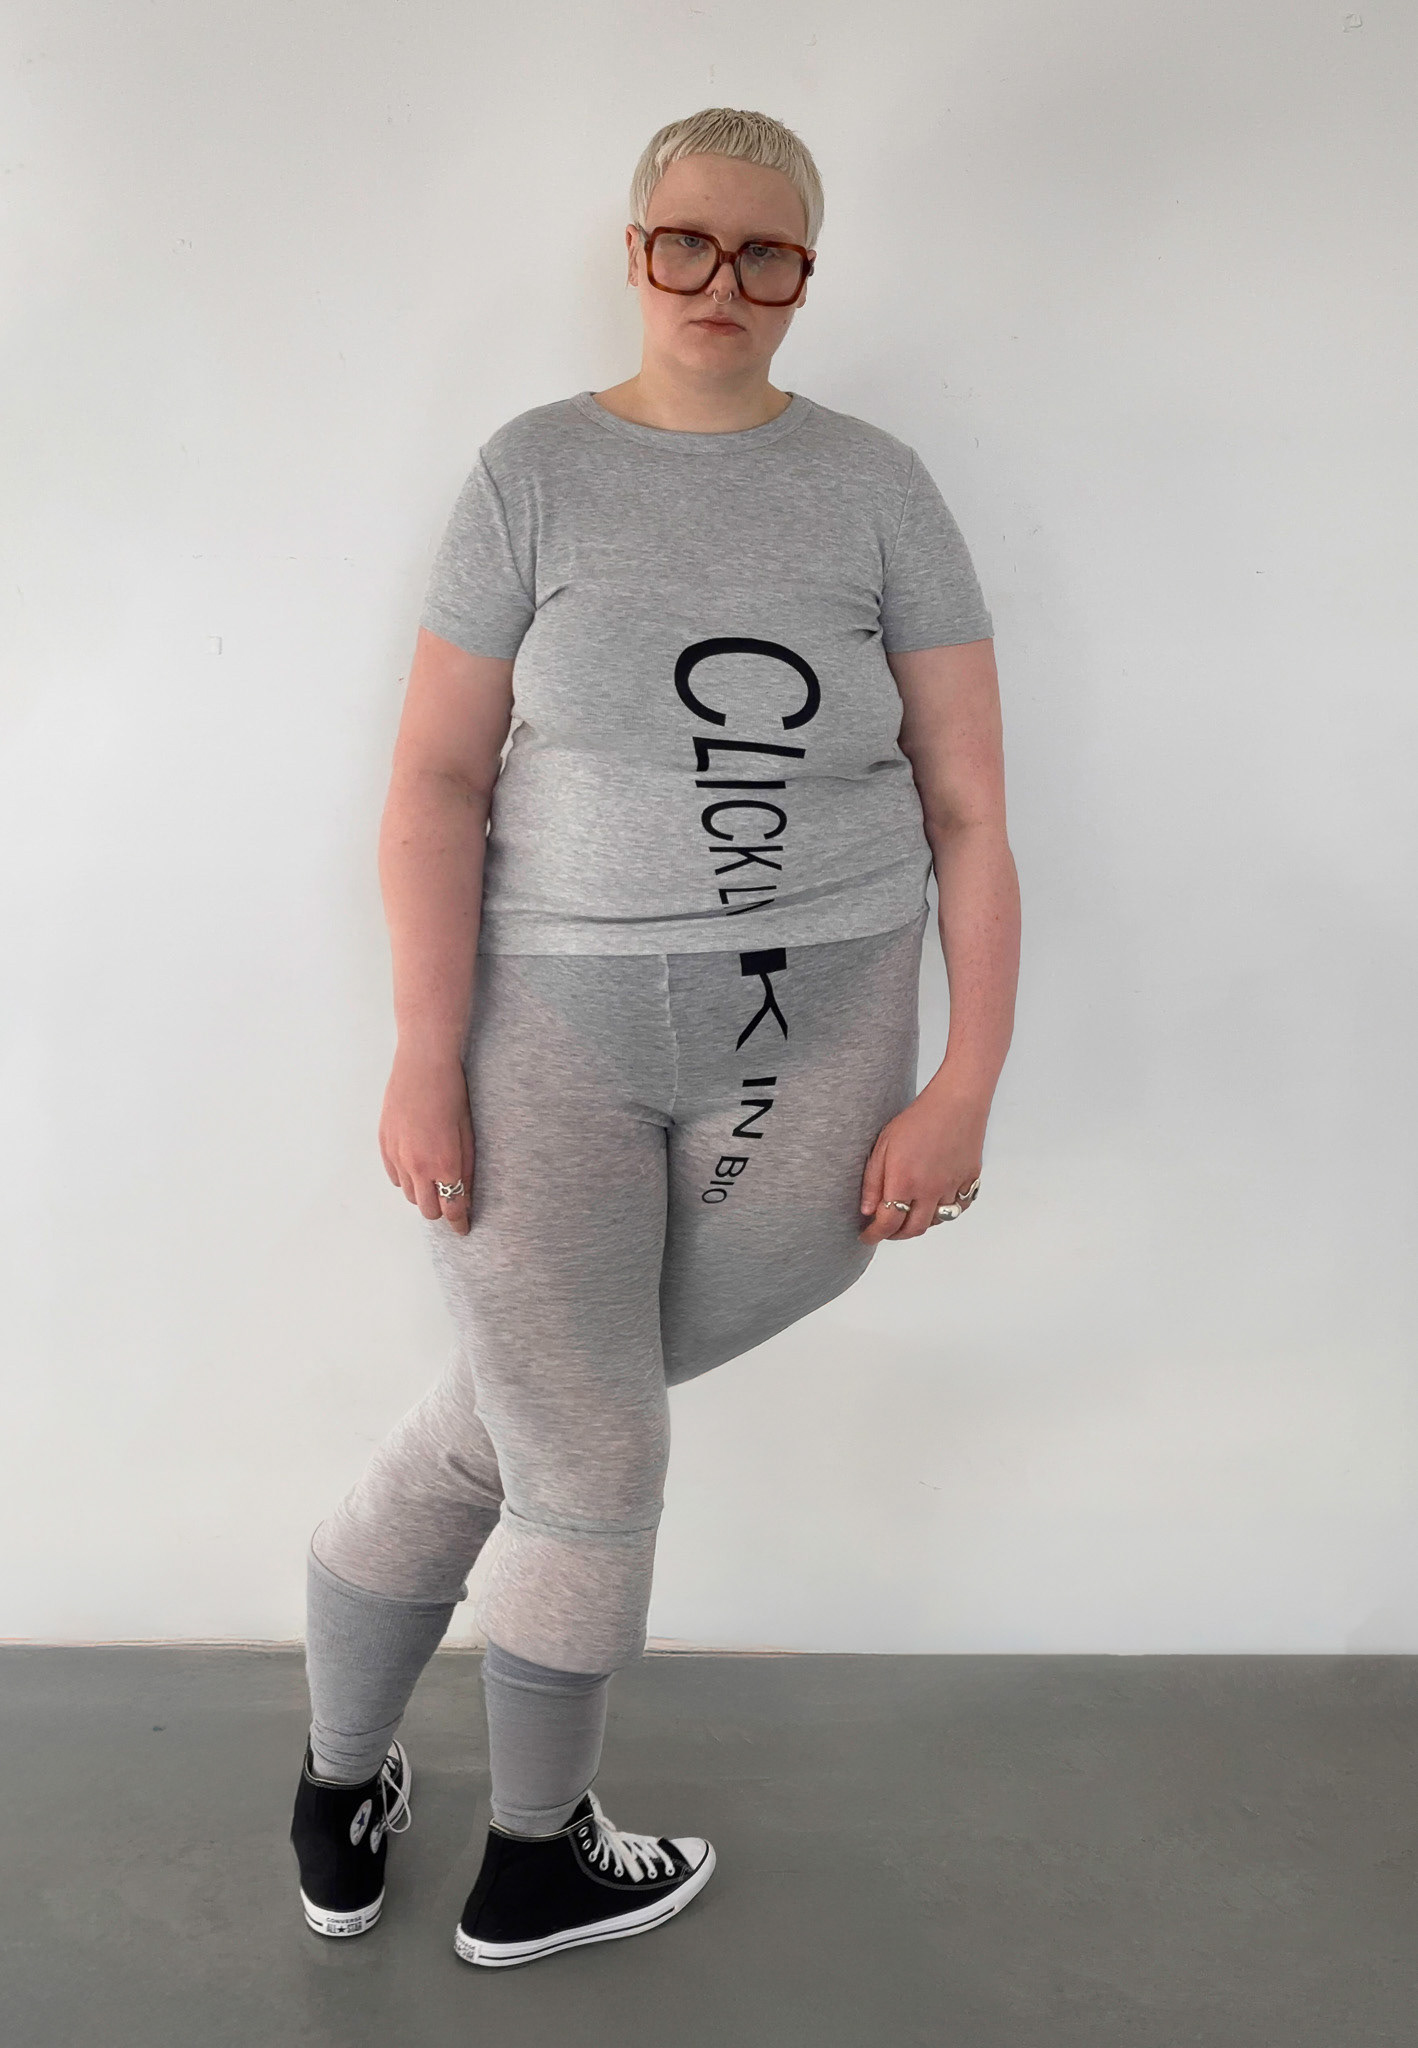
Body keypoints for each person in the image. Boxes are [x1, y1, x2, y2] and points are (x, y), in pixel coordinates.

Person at [289, 104, 1020, 1969]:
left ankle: (339, 1787)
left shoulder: (876, 486)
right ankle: (527, 1858)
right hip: (548, 1029)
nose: (722, 281)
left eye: (766, 252)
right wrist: (419, 1051)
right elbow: (436, 782)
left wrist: (965, 1080)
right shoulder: (531, 473)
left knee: (516, 1422)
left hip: (820, 1029)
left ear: (805, 275)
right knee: (587, 1451)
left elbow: (967, 810)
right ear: (633, 252)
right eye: (686, 242)